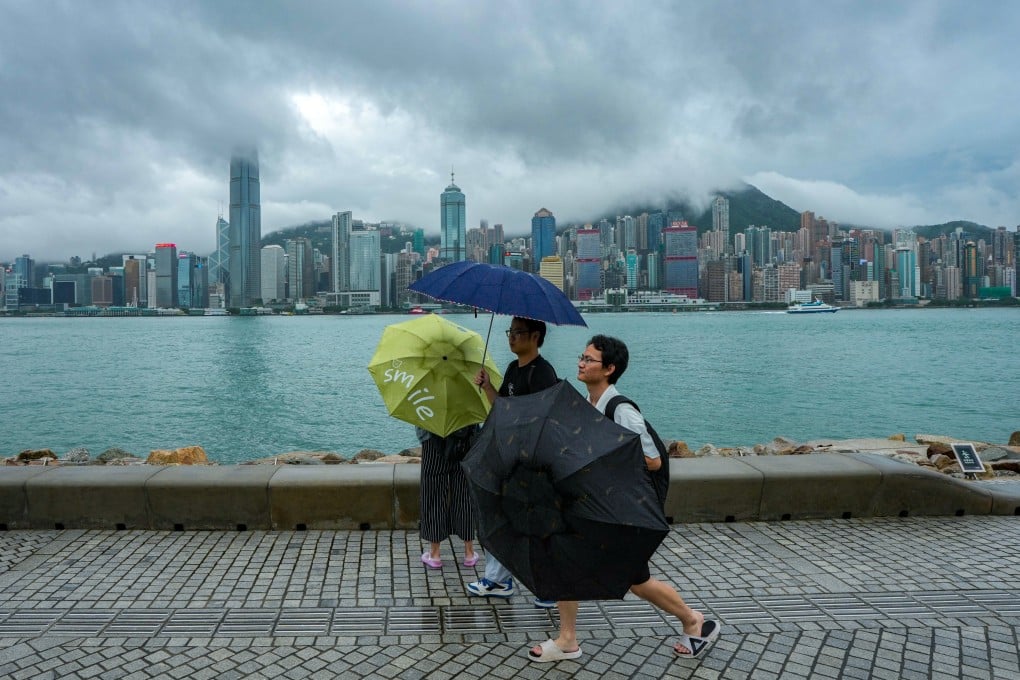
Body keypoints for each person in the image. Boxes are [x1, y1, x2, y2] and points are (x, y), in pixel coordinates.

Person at [527, 334, 721, 663]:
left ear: (609, 369)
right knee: (563, 557)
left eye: (589, 360)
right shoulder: (591, 405)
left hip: (626, 510)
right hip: (606, 503)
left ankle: (694, 622)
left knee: (636, 581)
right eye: (582, 357)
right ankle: (567, 640)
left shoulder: (622, 410)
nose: (581, 363)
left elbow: (653, 461)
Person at [467, 316, 558, 608]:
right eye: (510, 332)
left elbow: (543, 419)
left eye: (518, 332)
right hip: (511, 459)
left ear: (535, 336)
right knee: (504, 518)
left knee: (535, 525)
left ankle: (548, 586)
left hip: (533, 463)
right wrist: (488, 387)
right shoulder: (512, 369)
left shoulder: (543, 373)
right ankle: (500, 579)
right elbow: (503, 408)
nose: (512, 337)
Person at [416, 424, 478, 569]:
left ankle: (435, 554)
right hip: (464, 439)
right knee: (465, 495)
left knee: (433, 494)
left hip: (433, 439)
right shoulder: (469, 399)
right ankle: (469, 553)